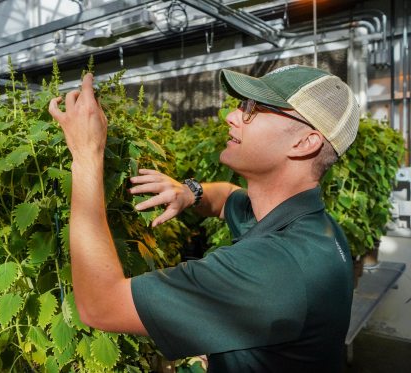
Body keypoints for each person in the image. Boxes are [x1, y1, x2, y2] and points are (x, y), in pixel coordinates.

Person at [48, 64, 360, 372]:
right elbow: (227, 196)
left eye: (253, 108)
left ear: (305, 142)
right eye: (241, 104)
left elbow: (100, 306)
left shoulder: (273, 267)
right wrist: (190, 192)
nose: (232, 116)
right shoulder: (308, 225)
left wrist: (87, 155)